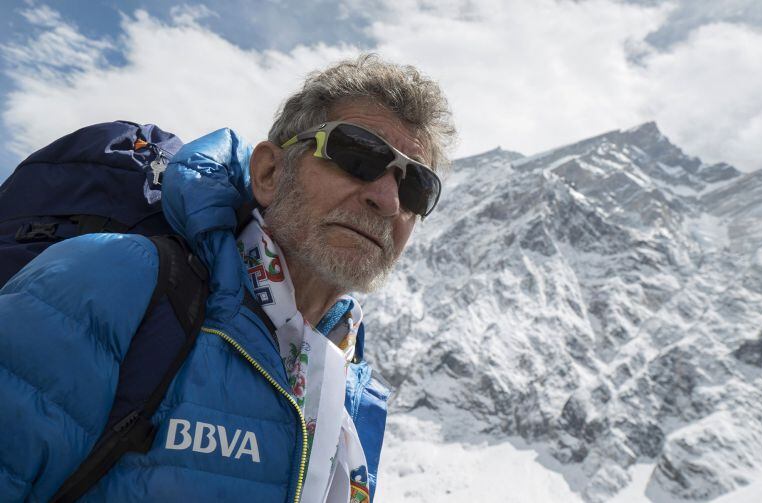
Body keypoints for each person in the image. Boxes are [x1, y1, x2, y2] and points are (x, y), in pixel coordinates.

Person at [0, 53, 455, 502]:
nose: (388, 200)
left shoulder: (353, 386)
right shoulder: (112, 281)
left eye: (416, 187)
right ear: (270, 173)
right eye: (357, 155)